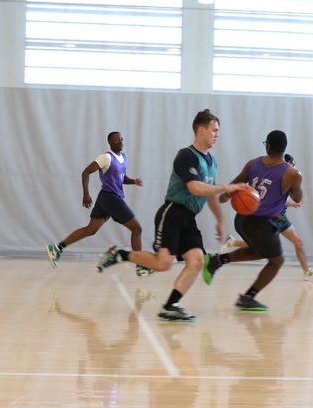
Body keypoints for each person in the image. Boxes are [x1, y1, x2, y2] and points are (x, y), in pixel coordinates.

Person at [95, 108, 245, 322]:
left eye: (218, 131)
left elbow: (209, 192)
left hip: (189, 217)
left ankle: (171, 305)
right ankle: (119, 254)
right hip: (172, 213)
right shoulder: (186, 156)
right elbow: (195, 188)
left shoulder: (212, 161)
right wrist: (226, 187)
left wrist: (220, 219)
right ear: (201, 130)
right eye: (215, 130)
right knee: (164, 263)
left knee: (196, 261)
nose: (217, 134)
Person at [201, 129, 304, 312]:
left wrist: (224, 197)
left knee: (259, 252)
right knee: (277, 261)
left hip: (241, 219)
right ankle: (248, 297)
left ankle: (216, 261)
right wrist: (297, 182)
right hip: (261, 223)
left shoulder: (253, 163)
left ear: (268, 146)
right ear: (284, 148)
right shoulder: (293, 174)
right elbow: (297, 198)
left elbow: (234, 185)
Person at [46, 131, 154, 277]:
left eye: (121, 139)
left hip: (106, 199)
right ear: (110, 142)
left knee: (90, 230)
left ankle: (57, 248)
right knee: (137, 229)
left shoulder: (123, 158)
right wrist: (86, 193)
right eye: (116, 139)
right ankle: (140, 266)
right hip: (111, 199)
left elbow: (121, 178)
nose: (120, 141)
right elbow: (85, 172)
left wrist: (133, 181)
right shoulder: (105, 157)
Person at [219, 153, 313, 281]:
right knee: (261, 249)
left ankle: (306, 271)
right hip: (269, 218)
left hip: (281, 218)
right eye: (291, 164)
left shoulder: (290, 176)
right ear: (286, 162)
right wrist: (295, 202)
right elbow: (277, 199)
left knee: (298, 241)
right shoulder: (278, 175)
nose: (292, 167)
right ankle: (230, 247)